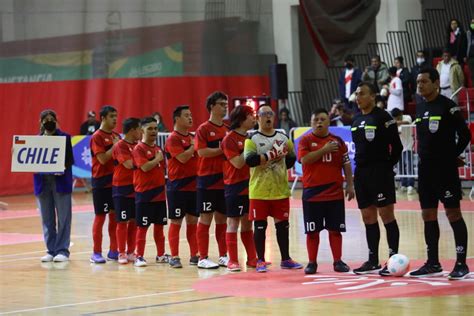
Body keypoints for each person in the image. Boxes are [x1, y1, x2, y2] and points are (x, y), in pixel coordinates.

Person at [410, 67, 471, 280]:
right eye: (418, 82)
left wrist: (451, 155)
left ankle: (461, 263)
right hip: (425, 171)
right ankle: (433, 263)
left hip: (445, 171)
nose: (420, 85)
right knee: (428, 215)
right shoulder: (419, 108)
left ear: (436, 83)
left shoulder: (448, 107)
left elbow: (464, 136)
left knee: (453, 213)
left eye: (424, 81)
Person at [351, 82, 403, 275]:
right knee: (368, 217)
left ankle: (393, 259)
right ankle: (372, 260)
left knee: (386, 215)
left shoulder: (383, 117)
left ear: (373, 96)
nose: (358, 97)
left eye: (362, 93)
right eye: (356, 94)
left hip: (380, 172)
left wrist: (386, 167)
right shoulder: (356, 120)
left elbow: (396, 147)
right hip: (361, 174)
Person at [244, 104, 302, 273]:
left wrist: (280, 161)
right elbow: (250, 160)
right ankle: (260, 260)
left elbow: (291, 159)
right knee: (260, 226)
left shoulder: (284, 138)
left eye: (270, 114)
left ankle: (286, 259)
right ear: (258, 118)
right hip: (259, 191)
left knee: (283, 226)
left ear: (274, 117)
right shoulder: (252, 140)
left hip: (280, 190)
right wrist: (273, 155)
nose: (268, 117)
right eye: (264, 114)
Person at [298, 108, 355, 274]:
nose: (319, 122)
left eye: (322, 119)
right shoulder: (305, 140)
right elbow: (305, 160)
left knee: (335, 230)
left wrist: (350, 185)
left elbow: (346, 164)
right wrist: (324, 150)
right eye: (316, 119)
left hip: (334, 193)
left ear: (329, 121)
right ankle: (312, 263)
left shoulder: (338, 141)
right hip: (312, 194)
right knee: (312, 231)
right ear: (311, 122)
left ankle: (338, 261)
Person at [194, 91, 229, 269]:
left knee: (222, 220)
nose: (225, 107)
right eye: (221, 104)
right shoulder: (203, 129)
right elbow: (202, 152)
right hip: (206, 181)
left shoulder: (227, 129)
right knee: (205, 219)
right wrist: (223, 149)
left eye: (225, 104)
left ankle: (224, 255)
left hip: (224, 180)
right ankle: (203, 257)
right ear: (212, 107)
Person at [221, 105, 258, 272]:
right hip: (234, 186)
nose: (254, 118)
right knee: (233, 222)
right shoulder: (229, 139)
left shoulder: (251, 138)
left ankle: (252, 259)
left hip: (250, 185)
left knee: (248, 224)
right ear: (242, 119)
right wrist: (249, 148)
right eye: (251, 115)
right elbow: (237, 163)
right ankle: (233, 260)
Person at [34, 109, 73, 262]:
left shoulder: (64, 137)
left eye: (52, 119)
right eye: (46, 119)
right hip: (42, 182)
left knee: (64, 217)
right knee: (47, 218)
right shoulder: (35, 140)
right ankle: (51, 250)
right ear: (41, 122)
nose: (49, 121)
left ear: (56, 121)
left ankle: (62, 250)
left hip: (60, 181)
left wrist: (61, 167)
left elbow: (70, 160)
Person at [165, 105, 199, 268]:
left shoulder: (192, 137)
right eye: (186, 115)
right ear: (177, 119)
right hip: (177, 187)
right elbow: (183, 158)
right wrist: (194, 146)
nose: (190, 118)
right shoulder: (173, 138)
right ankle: (174, 256)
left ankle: (195, 255)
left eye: (191, 115)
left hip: (194, 187)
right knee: (176, 222)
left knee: (193, 221)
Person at [132, 117, 169, 267]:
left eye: (155, 128)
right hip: (145, 194)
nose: (153, 131)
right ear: (142, 131)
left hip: (160, 193)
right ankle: (139, 256)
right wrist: (157, 159)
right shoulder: (138, 149)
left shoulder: (158, 149)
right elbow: (145, 167)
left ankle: (160, 255)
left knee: (159, 227)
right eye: (150, 129)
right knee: (143, 227)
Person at [89, 105, 120, 263]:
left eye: (116, 116)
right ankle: (96, 253)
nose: (115, 119)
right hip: (101, 182)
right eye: (111, 116)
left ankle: (114, 250)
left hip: (115, 183)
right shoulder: (97, 137)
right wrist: (115, 146)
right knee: (100, 217)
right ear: (103, 118)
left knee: (114, 218)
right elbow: (102, 159)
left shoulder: (115, 135)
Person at [111, 117, 141, 264]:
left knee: (134, 221)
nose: (141, 132)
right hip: (121, 188)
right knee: (122, 221)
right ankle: (121, 252)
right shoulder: (120, 146)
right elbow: (129, 164)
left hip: (136, 187)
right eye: (139, 129)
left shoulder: (137, 146)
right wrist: (144, 162)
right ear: (132, 130)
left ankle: (131, 251)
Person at [390, 108, 415, 194]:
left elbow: (407, 123)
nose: (396, 119)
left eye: (398, 117)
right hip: (399, 148)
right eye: (395, 118)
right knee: (400, 167)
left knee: (409, 166)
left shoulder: (407, 117)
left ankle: (410, 185)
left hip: (408, 146)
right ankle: (403, 184)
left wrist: (394, 123)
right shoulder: (392, 121)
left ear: (401, 114)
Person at [466, 18, 474, 84]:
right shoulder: (468, 33)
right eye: (472, 23)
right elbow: (467, 44)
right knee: (472, 74)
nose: (473, 24)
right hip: (471, 56)